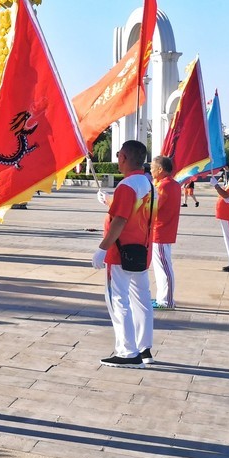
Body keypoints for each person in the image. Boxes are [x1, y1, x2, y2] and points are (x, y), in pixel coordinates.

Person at [92, 140, 155, 368]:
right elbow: (134, 211)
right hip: (141, 251)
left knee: (118, 300)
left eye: (118, 154)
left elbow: (120, 220)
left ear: (125, 158)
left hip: (121, 253)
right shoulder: (148, 184)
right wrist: (109, 199)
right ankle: (144, 347)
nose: (117, 158)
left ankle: (128, 352)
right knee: (142, 300)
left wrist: (102, 249)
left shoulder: (127, 186)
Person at [147, 156, 181, 310]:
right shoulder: (171, 184)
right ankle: (163, 298)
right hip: (164, 230)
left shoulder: (163, 186)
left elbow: (153, 207)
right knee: (162, 266)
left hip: (160, 230)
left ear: (160, 169)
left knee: (164, 267)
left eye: (153, 167)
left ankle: (167, 300)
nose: (150, 170)